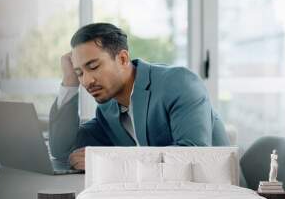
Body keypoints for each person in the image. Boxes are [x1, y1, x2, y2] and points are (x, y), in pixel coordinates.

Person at [49, 23, 230, 170]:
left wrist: (110, 161)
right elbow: (63, 150)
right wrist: (69, 81)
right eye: (80, 73)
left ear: (122, 59)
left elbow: (193, 156)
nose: (87, 81)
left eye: (94, 66)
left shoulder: (179, 82)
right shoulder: (108, 110)